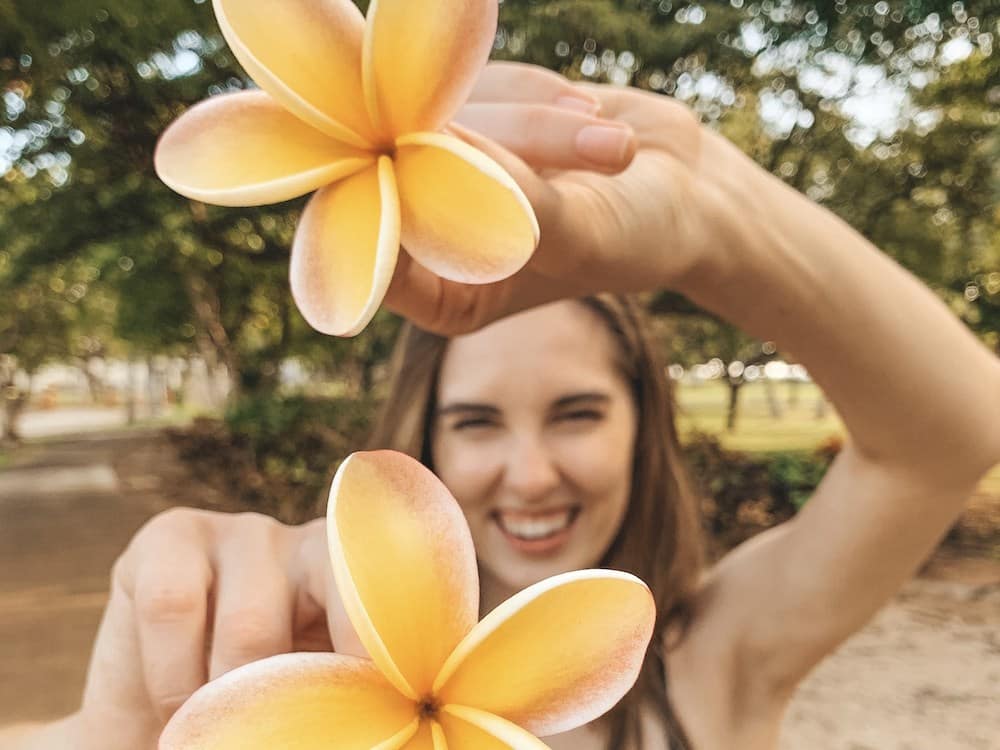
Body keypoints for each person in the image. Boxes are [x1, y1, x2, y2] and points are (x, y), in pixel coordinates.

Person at [4, 62, 998, 750]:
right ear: (422, 440)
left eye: (576, 413)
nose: (529, 473)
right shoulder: (305, 695)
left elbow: (954, 430)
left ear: (642, 426)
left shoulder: (712, 663)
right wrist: (114, 735)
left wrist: (710, 213)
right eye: (477, 421)